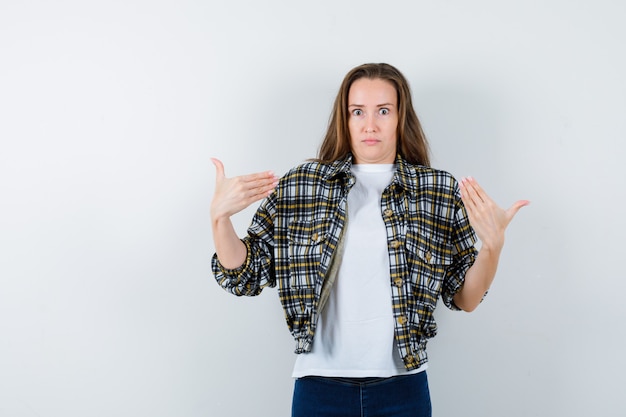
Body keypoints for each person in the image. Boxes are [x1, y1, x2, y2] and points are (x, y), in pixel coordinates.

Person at [210, 63, 529, 417]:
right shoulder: (302, 184)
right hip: (319, 388)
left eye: (383, 111)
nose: (370, 125)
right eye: (357, 112)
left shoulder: (437, 190)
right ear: (344, 119)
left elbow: (464, 298)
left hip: (403, 390)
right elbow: (245, 275)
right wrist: (220, 219)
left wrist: (492, 247)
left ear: (399, 117)